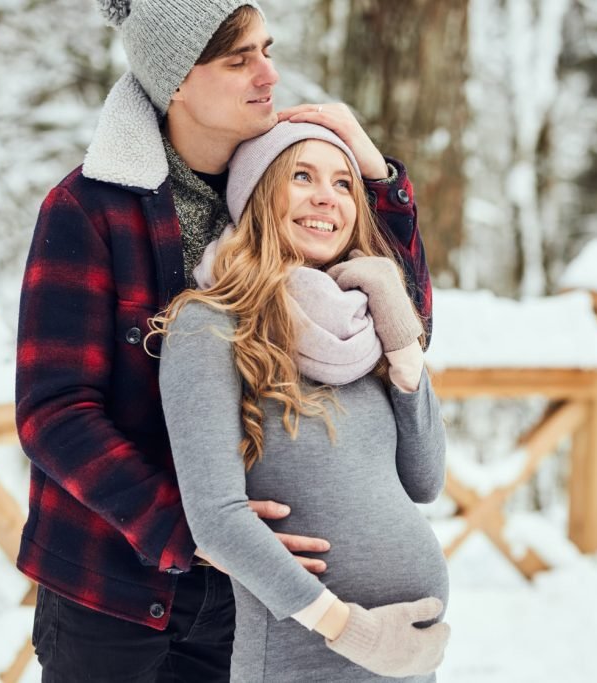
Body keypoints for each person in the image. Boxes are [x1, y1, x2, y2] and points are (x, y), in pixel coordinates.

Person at [14, 1, 432, 680]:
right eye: (239, 60)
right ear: (177, 79)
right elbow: (54, 413)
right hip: (114, 590)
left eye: (267, 49)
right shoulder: (90, 210)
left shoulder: (279, 183)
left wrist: (378, 179)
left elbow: (399, 334)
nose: (269, 74)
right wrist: (191, 530)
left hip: (250, 597)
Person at [154, 121, 450, 682]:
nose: (326, 197)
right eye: (302, 176)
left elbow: (425, 480)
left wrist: (403, 341)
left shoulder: (363, 330)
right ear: (257, 192)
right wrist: (349, 629)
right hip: (305, 651)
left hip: (404, 655)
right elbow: (216, 519)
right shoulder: (209, 324)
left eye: (343, 184)